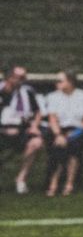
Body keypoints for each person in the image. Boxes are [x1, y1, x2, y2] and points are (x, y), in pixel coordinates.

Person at [44, 70, 83, 197]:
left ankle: (69, 183)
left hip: (78, 130)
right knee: (58, 147)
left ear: (70, 82)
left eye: (60, 81)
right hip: (58, 129)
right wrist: (58, 135)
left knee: (73, 147)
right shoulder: (52, 96)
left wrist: (74, 133)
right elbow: (52, 119)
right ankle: (53, 183)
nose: (57, 83)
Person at [0, 65, 44, 194]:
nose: (22, 80)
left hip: (21, 130)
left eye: (24, 77)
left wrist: (34, 126)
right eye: (19, 77)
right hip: (2, 130)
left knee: (36, 142)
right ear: (9, 77)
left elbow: (38, 112)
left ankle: (21, 179)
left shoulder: (27, 92)